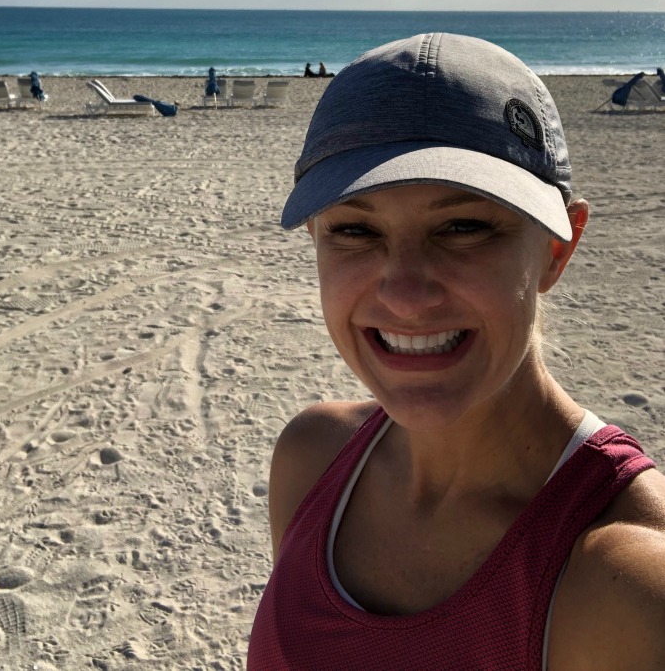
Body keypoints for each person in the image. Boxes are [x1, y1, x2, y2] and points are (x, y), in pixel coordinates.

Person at [248, 33, 665, 670]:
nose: (405, 295)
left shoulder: (626, 582)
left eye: (463, 227)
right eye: (354, 230)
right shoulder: (310, 461)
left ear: (557, 249)